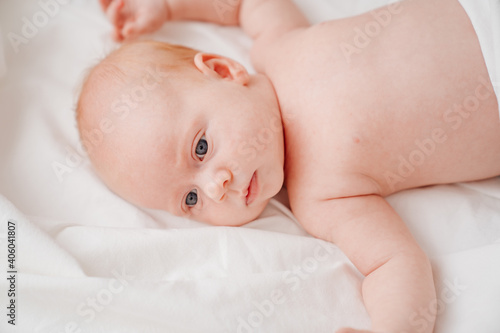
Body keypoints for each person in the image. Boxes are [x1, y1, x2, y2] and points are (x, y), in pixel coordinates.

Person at [77, 0, 500, 331]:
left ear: (224, 70)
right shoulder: (321, 199)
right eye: (190, 199)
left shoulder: (278, 48)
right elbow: (394, 263)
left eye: (201, 148)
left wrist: (170, 7)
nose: (215, 187)